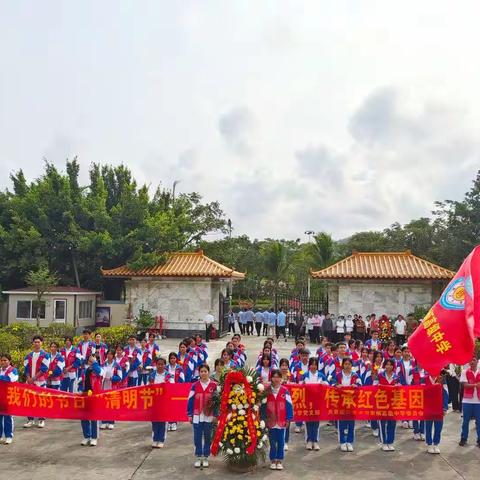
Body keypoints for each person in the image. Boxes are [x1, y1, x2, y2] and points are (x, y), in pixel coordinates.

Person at [261, 369, 294, 470]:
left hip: (281, 421)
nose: (276, 379)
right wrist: (263, 419)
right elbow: (263, 406)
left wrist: (288, 419)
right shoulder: (267, 391)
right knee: (272, 441)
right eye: (274, 377)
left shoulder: (285, 391)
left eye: (278, 377)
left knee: (281, 441)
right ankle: (272, 460)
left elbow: (289, 406)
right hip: (270, 421)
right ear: (271, 378)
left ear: (281, 378)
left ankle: (279, 459)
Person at [187, 364, 217, 468]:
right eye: (201, 371)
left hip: (209, 416)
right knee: (197, 437)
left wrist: (216, 415)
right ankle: (198, 456)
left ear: (208, 372)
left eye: (205, 371)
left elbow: (217, 402)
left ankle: (205, 457)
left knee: (208, 437)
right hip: (197, 415)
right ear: (199, 373)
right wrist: (190, 414)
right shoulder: (194, 385)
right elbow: (190, 401)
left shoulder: (214, 386)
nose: (203, 373)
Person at [333, 358, 361, 452]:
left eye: (349, 364)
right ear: (343, 365)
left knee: (351, 423)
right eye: (346, 364)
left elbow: (360, 385)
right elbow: (332, 384)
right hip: (341, 402)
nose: (347, 365)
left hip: (352, 402)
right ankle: (342, 442)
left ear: (351, 365)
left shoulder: (355, 375)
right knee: (341, 423)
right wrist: (337, 385)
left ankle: (349, 442)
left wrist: (356, 386)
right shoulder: (338, 375)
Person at [301, 357, 328, 450]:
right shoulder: (305, 375)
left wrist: (323, 385)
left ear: (317, 366)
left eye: (315, 365)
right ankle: (308, 440)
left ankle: (315, 440)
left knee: (316, 422)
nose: (313, 366)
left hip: (318, 402)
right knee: (308, 421)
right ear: (309, 366)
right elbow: (299, 387)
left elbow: (327, 386)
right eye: (311, 364)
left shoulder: (321, 375)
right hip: (307, 402)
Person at [23, 335, 50, 428]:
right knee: (29, 401)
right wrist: (28, 378)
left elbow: (44, 369)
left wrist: (33, 378)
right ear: (33, 343)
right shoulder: (28, 355)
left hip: (40, 382)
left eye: (38, 342)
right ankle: (30, 419)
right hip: (29, 382)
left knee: (41, 401)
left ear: (42, 343)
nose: (37, 343)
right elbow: (26, 369)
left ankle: (41, 419)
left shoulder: (46, 355)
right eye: (35, 342)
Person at [423, 369, 449, 454]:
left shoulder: (442, 379)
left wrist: (445, 407)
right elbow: (421, 392)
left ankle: (436, 444)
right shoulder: (424, 378)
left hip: (439, 407)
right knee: (428, 426)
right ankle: (429, 444)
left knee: (438, 427)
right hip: (428, 407)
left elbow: (445, 393)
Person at [376, 359, 399, 451]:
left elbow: (400, 388)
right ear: (384, 366)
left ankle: (390, 442)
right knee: (382, 422)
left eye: (391, 365)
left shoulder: (396, 376)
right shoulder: (380, 375)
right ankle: (384, 442)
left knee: (392, 422)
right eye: (387, 364)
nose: (389, 366)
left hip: (393, 402)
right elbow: (374, 387)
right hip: (382, 402)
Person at [80, 354, 103, 446]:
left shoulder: (99, 369)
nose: (90, 360)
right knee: (83, 416)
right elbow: (82, 382)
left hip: (95, 395)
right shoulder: (85, 370)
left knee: (94, 417)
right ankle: (86, 436)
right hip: (85, 395)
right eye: (90, 359)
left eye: (93, 359)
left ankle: (94, 437)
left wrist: (94, 363)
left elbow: (100, 373)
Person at [458, 357, 480, 447]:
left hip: (478, 401)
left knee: (479, 421)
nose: (472, 362)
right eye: (470, 360)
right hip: (467, 400)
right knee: (465, 421)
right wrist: (475, 385)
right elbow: (465, 385)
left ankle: (479, 439)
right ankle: (464, 438)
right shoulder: (465, 372)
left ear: (477, 361)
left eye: (474, 360)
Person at [100, 349, 124, 430]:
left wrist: (112, 378)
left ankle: (111, 421)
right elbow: (100, 373)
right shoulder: (103, 364)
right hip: (104, 386)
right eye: (108, 354)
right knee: (104, 404)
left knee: (112, 404)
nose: (109, 355)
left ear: (113, 356)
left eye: (110, 354)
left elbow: (120, 377)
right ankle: (104, 421)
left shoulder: (117, 365)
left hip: (113, 387)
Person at [149, 357, 170, 447]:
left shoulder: (168, 375)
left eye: (162, 364)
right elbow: (147, 387)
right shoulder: (152, 375)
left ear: (165, 365)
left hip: (164, 402)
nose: (160, 366)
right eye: (158, 364)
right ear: (156, 365)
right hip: (154, 401)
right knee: (154, 421)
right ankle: (155, 439)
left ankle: (161, 439)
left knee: (162, 421)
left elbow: (171, 387)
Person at [0, 353, 19, 444]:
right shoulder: (0, 370)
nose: (3, 362)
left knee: (8, 417)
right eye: (2, 360)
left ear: (9, 361)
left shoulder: (13, 370)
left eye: (5, 360)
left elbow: (9, 379)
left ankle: (8, 436)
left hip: (9, 397)